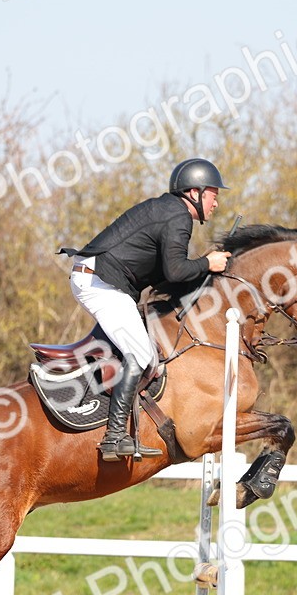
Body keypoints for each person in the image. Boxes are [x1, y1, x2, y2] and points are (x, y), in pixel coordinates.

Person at [65, 158, 233, 461]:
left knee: (139, 348)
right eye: (213, 194)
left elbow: (171, 272)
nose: (216, 203)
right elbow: (176, 272)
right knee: (142, 354)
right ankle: (114, 437)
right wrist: (208, 262)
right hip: (99, 282)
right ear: (194, 192)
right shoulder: (177, 217)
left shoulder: (170, 211)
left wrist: (204, 265)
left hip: (99, 278)